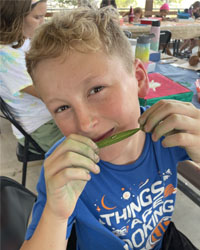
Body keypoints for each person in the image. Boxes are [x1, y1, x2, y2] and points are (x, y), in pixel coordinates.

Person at [20, 7, 200, 250]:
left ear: (138, 80)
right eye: (62, 107)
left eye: (96, 90)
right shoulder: (64, 168)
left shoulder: (165, 129)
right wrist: (56, 213)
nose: (84, 124)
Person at [0, 0, 64, 153]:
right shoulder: (6, 55)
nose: (42, 23)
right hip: (40, 127)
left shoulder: (21, 40)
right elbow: (49, 95)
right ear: (15, 18)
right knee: (97, 146)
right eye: (37, 17)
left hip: (50, 115)